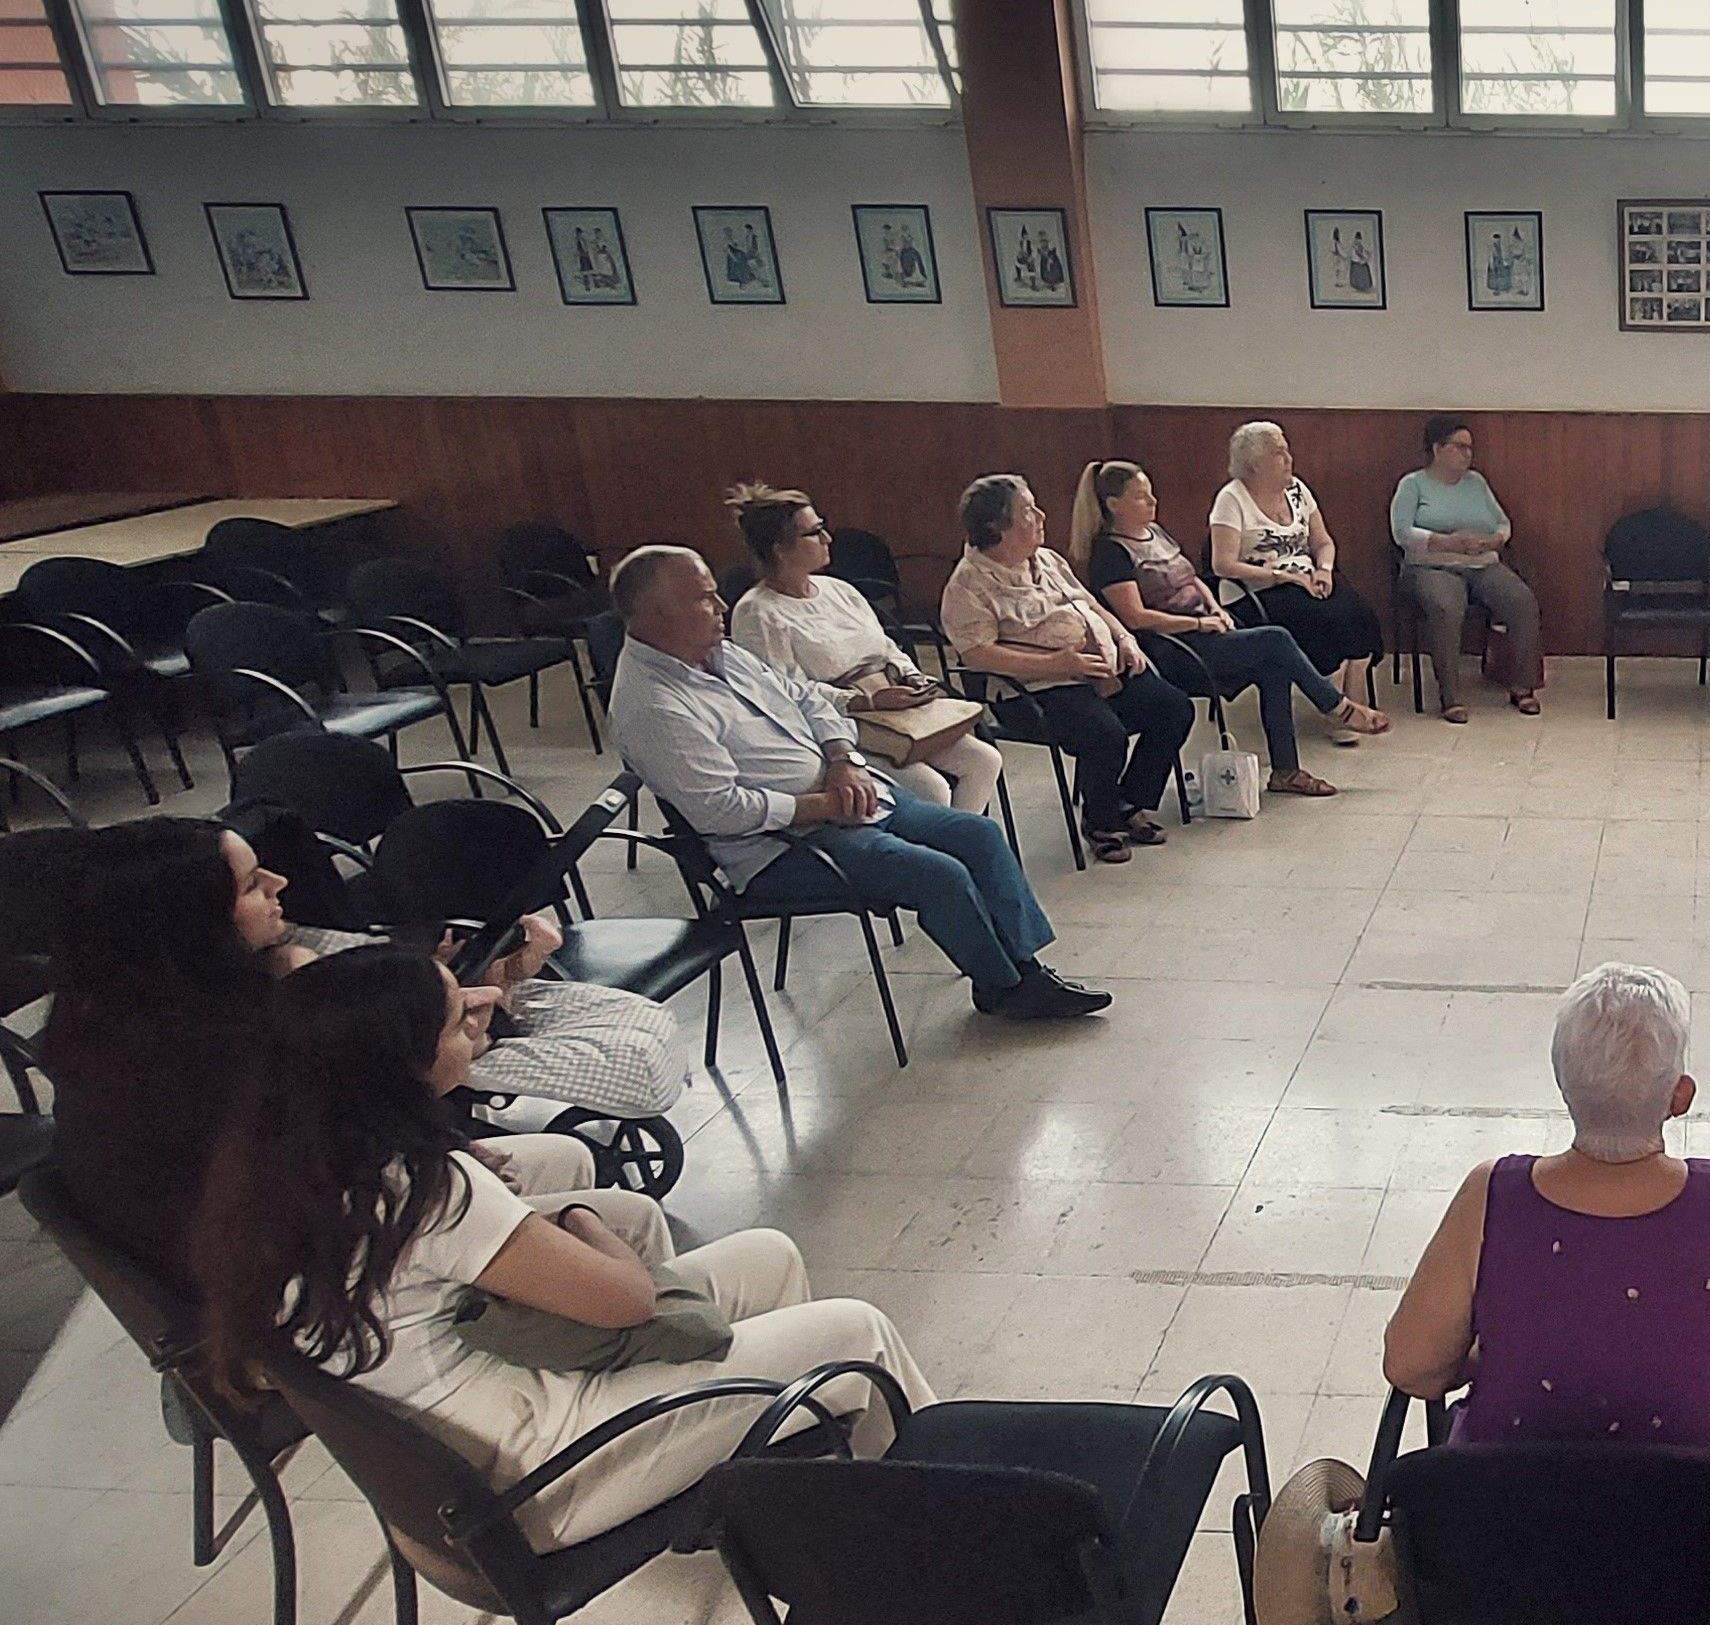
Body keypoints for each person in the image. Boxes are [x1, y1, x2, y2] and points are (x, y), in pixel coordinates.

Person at [193, 946, 934, 1550]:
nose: (480, 1018)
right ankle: (941, 1519)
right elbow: (627, 1300)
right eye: (457, 1022)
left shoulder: (280, 1166)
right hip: (539, 1478)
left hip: (470, 1456)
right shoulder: (426, 1186)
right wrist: (581, 1220)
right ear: (400, 1064)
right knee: (856, 1332)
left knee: (768, 1256)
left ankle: (811, 1507)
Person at [27, 817, 676, 1284]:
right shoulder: (236, 1048)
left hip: (276, 1228)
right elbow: (380, 1125)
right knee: (626, 1223)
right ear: (196, 925)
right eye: (254, 883)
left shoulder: (125, 1016)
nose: (281, 881)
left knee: (563, 1156)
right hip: (302, 1271)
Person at [606, 544, 1107, 1021]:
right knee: (941, 875)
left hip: (847, 795)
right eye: (703, 597)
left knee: (979, 835)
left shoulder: (719, 653)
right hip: (780, 847)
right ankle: (1005, 989)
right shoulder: (652, 705)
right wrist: (824, 805)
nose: (720, 605)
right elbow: (722, 811)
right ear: (656, 614)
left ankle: (1023, 970)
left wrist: (842, 758)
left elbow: (808, 698)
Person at [1383, 963, 1710, 1467]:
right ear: (1680, 1096)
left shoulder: (1491, 1194)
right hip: (1703, 1529)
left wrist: (1488, 1359)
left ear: (1562, 1084)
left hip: (1510, 1526)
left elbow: (1412, 1367)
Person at [1074, 459, 1389, 798]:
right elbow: (1135, 618)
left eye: (1151, 494)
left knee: (1275, 664)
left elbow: (1194, 578)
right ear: (1113, 505)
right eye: (1140, 497)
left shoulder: (1156, 533)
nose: (1152, 502)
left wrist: (1215, 609)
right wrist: (1198, 622)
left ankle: (1286, 770)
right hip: (1169, 648)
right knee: (1276, 640)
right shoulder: (1109, 553)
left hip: (1206, 631)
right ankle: (1337, 707)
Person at [943, 472, 1195, 865]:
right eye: (1028, 510)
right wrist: (1056, 663)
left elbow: (1091, 604)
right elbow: (978, 655)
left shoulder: (1045, 559)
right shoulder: (968, 584)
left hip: (1093, 670)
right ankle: (1100, 822)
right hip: (1034, 689)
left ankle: (1129, 801)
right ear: (996, 526)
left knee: (1173, 708)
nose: (1041, 515)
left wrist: (1124, 639)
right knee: (1105, 733)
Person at [723, 482, 1001, 816]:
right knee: (932, 788)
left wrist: (912, 677)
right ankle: (941, 855)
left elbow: (885, 647)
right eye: (814, 533)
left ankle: (960, 848)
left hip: (894, 708)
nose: (828, 539)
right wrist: (863, 701)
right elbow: (786, 695)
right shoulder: (758, 613)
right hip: (840, 725)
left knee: (985, 760)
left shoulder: (838, 590)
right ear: (780, 549)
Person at [1208, 420, 1386, 723]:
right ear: (1254, 464)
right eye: (1279, 453)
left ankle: (1353, 696)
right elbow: (1221, 564)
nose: (1289, 459)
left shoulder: (1298, 489)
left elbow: (1323, 541)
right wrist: (1286, 577)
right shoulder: (1231, 499)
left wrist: (1324, 571)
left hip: (1308, 578)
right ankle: (1338, 704)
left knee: (1359, 613)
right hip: (1258, 590)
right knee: (1323, 620)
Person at [1391, 416, 1546, 721]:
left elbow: (1502, 522)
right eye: (1460, 447)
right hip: (1431, 567)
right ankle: (1451, 696)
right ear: (1437, 449)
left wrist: (1493, 541)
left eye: (1470, 448)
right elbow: (1401, 532)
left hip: (1480, 562)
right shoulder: (1413, 485)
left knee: (1521, 600)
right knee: (1447, 606)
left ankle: (1523, 687)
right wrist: (1446, 543)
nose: (1467, 454)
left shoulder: (1476, 483)